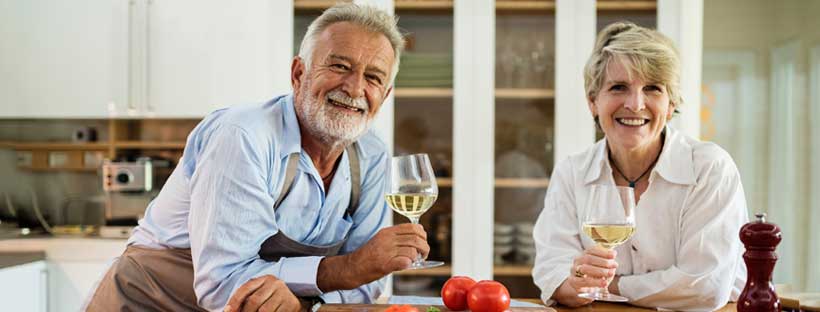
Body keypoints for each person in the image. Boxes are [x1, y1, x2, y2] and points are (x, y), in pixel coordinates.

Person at [86, 4, 430, 311]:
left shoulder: (371, 154)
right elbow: (222, 284)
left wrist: (303, 304)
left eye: (372, 77)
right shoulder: (243, 136)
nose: (355, 88)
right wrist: (347, 268)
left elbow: (367, 286)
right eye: (340, 66)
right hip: (149, 302)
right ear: (299, 74)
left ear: (383, 97)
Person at [531, 22, 748, 311]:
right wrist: (574, 284)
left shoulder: (709, 168)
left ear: (671, 105)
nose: (635, 104)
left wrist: (606, 285)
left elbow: (705, 286)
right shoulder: (572, 172)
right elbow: (551, 270)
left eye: (652, 88)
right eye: (618, 87)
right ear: (593, 101)